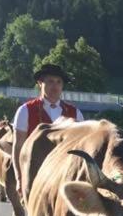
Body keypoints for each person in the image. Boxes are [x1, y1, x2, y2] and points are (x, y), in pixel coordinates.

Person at [11, 63, 83, 194]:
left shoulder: (76, 113)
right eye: (50, 81)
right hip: (35, 176)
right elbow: (18, 147)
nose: (55, 86)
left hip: (66, 177)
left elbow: (82, 149)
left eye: (58, 82)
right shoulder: (25, 111)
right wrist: (19, 178)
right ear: (40, 83)